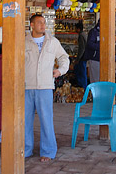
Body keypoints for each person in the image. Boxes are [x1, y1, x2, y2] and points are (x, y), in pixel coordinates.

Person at [25, 14, 70, 162]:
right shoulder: (23, 41)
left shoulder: (52, 42)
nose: (42, 25)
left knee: (46, 120)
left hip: (45, 86)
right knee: (25, 120)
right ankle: (25, 149)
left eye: (44, 23)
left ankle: (48, 151)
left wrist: (60, 70)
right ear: (31, 25)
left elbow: (64, 57)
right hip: (26, 86)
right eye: (39, 23)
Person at [74, 22, 88, 89]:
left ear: (78, 29)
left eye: (76, 28)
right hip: (84, 56)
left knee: (81, 72)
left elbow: (81, 48)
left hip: (82, 57)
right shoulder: (84, 34)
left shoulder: (81, 36)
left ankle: (82, 87)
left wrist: (78, 59)